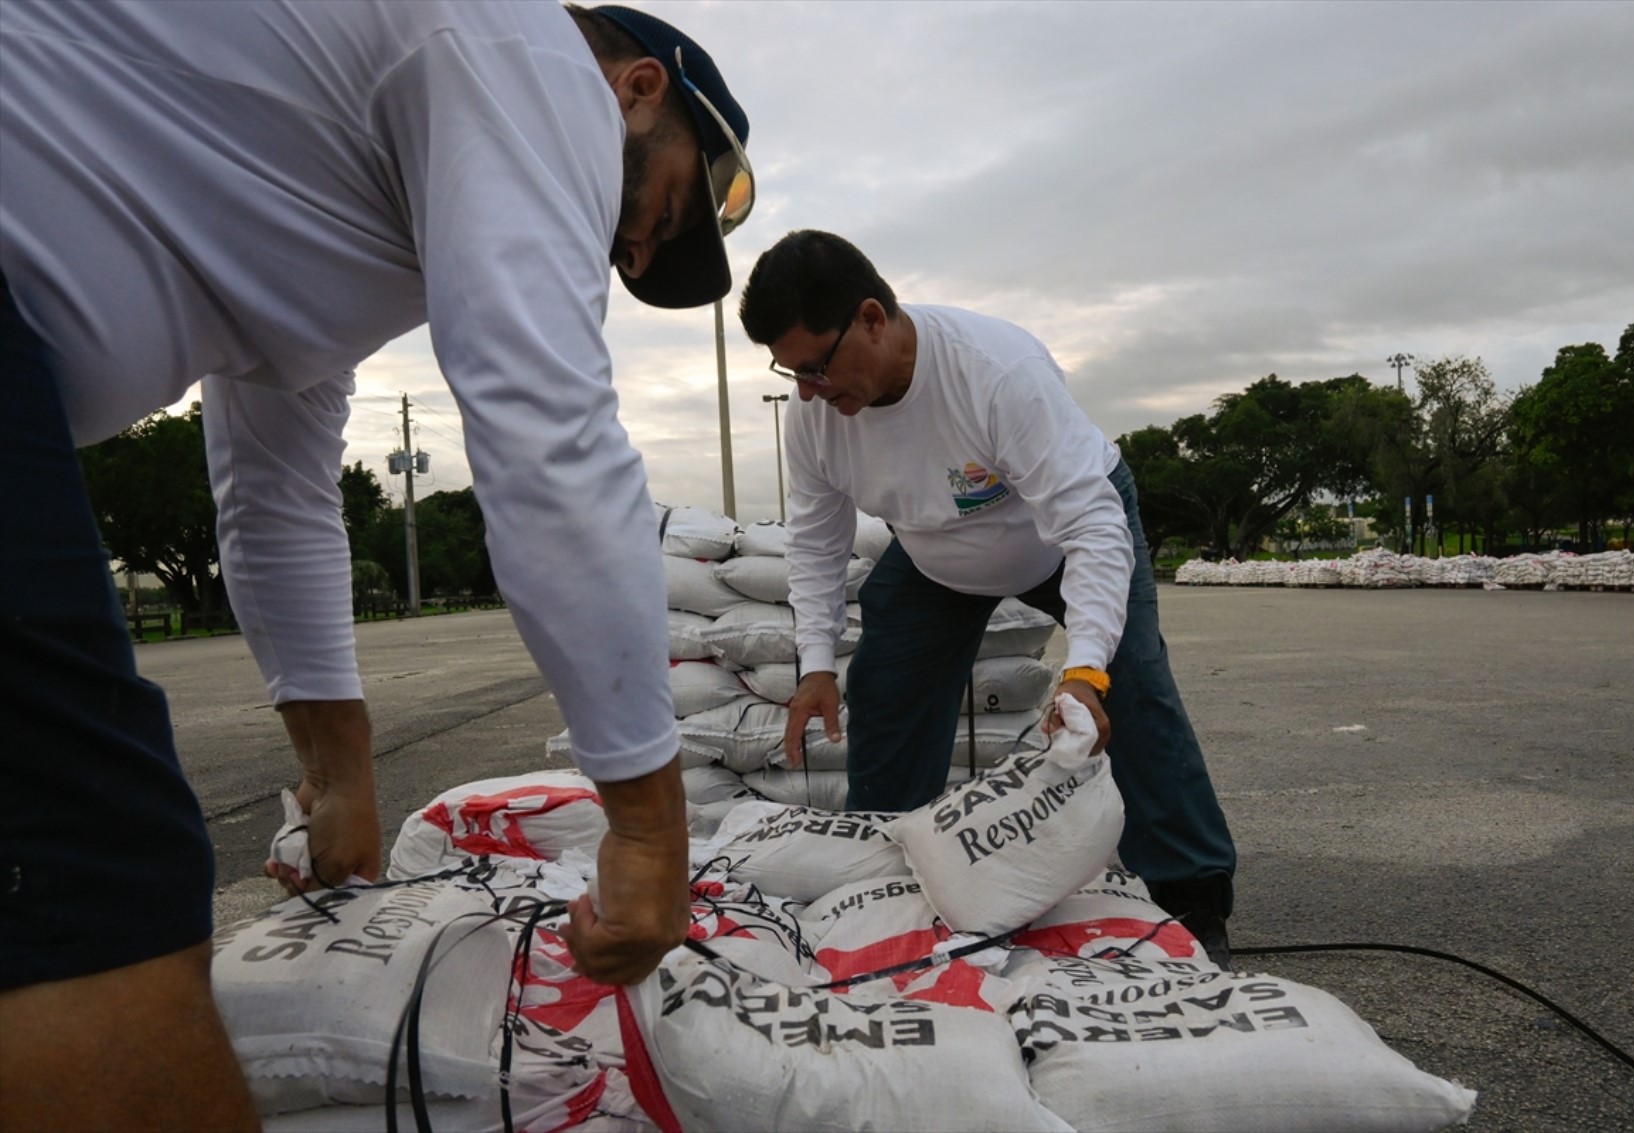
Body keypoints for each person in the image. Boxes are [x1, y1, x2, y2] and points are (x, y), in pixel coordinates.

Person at [0, 2, 753, 1127]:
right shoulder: (525, 48)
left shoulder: (304, 198)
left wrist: (344, 775)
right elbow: (545, 434)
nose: (636, 247)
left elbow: (274, 485)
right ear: (638, 87)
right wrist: (646, 827)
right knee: (93, 883)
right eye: (670, 208)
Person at [738, 230, 1236, 967]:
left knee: (1133, 686)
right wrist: (815, 662)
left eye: (816, 367)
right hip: (938, 558)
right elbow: (815, 541)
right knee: (882, 685)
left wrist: (1087, 668)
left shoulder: (996, 374)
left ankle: (1190, 894)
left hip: (1063, 533)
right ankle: (886, 881)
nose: (810, 389)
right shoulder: (814, 419)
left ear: (872, 317)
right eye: (793, 371)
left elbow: (1093, 528)